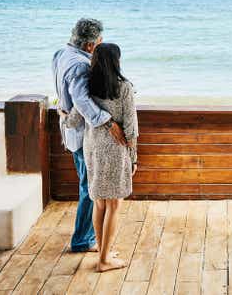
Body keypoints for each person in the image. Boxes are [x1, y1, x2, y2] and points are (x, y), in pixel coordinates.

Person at [52, 18, 129, 253]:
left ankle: (87, 239)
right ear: (89, 46)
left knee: (89, 187)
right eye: (99, 41)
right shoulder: (80, 65)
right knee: (90, 188)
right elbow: (82, 101)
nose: (99, 45)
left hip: (70, 130)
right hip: (81, 136)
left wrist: (62, 111)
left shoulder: (61, 54)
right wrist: (108, 122)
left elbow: (67, 96)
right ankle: (83, 241)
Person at [65, 43, 138, 272]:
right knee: (114, 205)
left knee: (99, 203)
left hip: (92, 149)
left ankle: (103, 250)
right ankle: (104, 261)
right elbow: (131, 128)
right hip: (115, 150)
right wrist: (133, 158)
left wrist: (61, 114)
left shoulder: (87, 88)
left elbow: (74, 120)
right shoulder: (124, 87)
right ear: (116, 61)